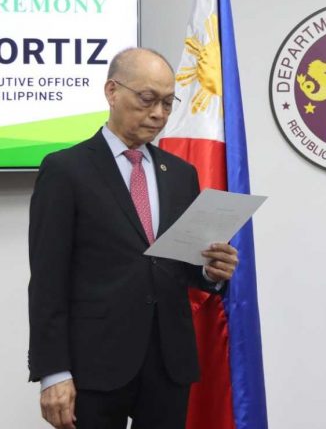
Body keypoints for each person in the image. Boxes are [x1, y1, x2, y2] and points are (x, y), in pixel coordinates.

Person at [28, 48, 239, 429]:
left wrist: (209, 272)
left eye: (167, 103)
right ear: (112, 91)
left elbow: (178, 266)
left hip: (168, 363)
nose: (158, 113)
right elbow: (47, 281)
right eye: (147, 99)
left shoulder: (180, 174)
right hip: (94, 365)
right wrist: (53, 372)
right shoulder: (65, 170)